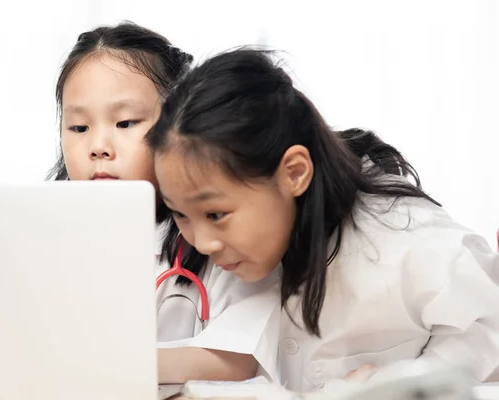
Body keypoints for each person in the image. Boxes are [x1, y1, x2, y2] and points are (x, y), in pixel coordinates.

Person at [145, 48, 499, 392]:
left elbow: (488, 340)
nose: (203, 242)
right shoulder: (235, 254)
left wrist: (400, 385)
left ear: (294, 173)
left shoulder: (412, 244)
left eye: (216, 214)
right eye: (180, 213)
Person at [47, 23, 281, 383]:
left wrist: (88, 364)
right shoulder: (46, 240)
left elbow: (235, 360)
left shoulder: (219, 240)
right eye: (79, 128)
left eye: (124, 123)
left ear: (177, 124)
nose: (98, 146)